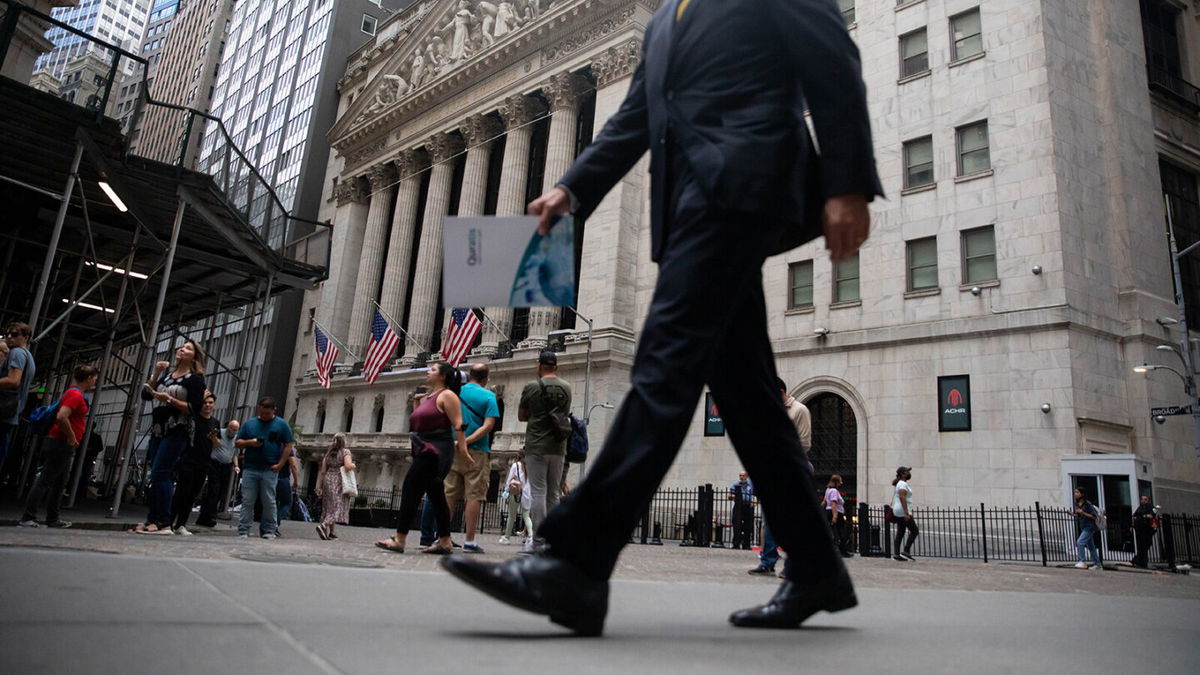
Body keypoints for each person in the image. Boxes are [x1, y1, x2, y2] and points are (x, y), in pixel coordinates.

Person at [442, 0, 879, 635]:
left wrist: (847, 183)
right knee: (751, 401)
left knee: (664, 365)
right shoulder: (670, 16)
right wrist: (572, 188)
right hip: (690, 206)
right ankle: (816, 565)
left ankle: (574, 562)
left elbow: (834, 57)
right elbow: (636, 117)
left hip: (742, 187)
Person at [375, 363, 473, 554]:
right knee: (436, 496)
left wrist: (463, 449)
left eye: (433, 370)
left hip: (435, 451)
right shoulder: (429, 396)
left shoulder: (448, 395)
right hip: (423, 448)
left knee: (411, 488)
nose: (428, 371)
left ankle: (400, 539)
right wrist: (415, 404)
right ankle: (445, 541)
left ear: (443, 376)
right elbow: (418, 421)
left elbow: (459, 424)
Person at [134, 340, 207, 534]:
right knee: (156, 474)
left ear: (195, 356)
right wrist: (156, 373)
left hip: (178, 429)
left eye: (188, 348)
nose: (182, 349)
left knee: (161, 472)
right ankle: (152, 519)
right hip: (159, 428)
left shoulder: (195, 379)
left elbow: (195, 408)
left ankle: (163, 522)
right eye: (182, 347)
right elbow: (146, 395)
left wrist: (171, 400)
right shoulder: (167, 376)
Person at [19, 365, 98, 528]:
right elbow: (62, 417)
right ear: (89, 378)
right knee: (46, 479)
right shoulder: (75, 395)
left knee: (60, 481)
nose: (95, 382)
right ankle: (28, 517)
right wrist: (71, 436)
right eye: (95, 379)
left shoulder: (73, 393)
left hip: (61, 443)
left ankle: (53, 518)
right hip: (60, 442)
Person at [750, 379, 814, 575]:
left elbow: (804, 443)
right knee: (769, 518)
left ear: (779, 391)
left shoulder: (799, 410)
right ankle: (767, 561)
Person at [442, 363, 500, 553]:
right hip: (477, 451)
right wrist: (467, 441)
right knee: (474, 495)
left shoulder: (455, 393)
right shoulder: (489, 396)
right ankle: (470, 540)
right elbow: (488, 425)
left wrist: (457, 441)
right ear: (485, 379)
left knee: (449, 493)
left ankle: (442, 537)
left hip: (453, 448)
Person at [517, 350, 571, 553]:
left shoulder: (531, 386)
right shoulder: (567, 387)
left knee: (538, 491)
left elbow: (522, 416)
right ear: (556, 366)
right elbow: (563, 414)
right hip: (558, 447)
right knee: (553, 493)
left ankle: (539, 539)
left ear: (539, 366)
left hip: (536, 445)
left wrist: (536, 414)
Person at [234, 396, 294, 540]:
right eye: (262, 413)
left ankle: (269, 529)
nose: (264, 416)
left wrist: (280, 464)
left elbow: (288, 444)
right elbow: (238, 443)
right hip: (250, 467)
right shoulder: (250, 424)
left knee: (269, 500)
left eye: (267, 413)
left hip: (270, 468)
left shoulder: (281, 425)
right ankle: (244, 529)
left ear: (274, 410)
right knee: (248, 500)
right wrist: (250, 442)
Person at [167, 393, 220, 536]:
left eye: (210, 403)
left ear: (214, 405)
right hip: (188, 459)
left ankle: (181, 524)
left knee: (192, 495)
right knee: (181, 492)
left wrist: (213, 438)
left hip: (204, 462)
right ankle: (169, 522)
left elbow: (217, 445)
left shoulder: (215, 423)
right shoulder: (193, 417)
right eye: (205, 402)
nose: (207, 405)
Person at [0, 322, 35, 464]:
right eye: (7, 334)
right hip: (10, 413)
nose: (9, 337)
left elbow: (14, 380)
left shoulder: (17, 353)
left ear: (26, 337)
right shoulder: (27, 355)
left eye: (14, 334)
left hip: (3, 410)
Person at [195, 419, 239, 528]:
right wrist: (214, 437)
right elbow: (216, 445)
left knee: (221, 491)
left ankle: (206, 515)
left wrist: (236, 465)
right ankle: (210, 516)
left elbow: (235, 453)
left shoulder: (236, 438)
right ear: (227, 427)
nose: (232, 432)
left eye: (235, 430)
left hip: (227, 465)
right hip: (215, 463)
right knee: (213, 489)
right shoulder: (220, 433)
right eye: (231, 429)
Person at [316, 433, 354, 540]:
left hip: (328, 479)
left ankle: (330, 532)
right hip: (338, 480)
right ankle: (324, 524)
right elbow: (347, 466)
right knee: (337, 506)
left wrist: (320, 487)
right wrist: (353, 465)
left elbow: (323, 471)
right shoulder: (345, 452)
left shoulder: (328, 454)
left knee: (328, 506)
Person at [498, 451, 533, 545]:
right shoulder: (531, 466)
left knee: (511, 516)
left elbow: (509, 480)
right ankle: (531, 536)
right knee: (526, 515)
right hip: (527, 493)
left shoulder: (515, 465)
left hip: (516, 492)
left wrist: (506, 494)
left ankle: (507, 537)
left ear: (519, 456)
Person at [890, 467, 917, 561]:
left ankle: (897, 554)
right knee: (914, 530)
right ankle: (906, 551)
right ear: (902, 474)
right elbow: (902, 497)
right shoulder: (902, 484)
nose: (908, 474)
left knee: (900, 532)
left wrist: (907, 469)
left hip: (898, 510)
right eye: (906, 472)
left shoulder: (900, 483)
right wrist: (906, 513)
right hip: (902, 511)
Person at [273, 445, 300, 535]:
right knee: (287, 503)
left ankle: (269, 525)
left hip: (270, 478)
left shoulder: (272, 446)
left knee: (273, 503)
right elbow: (293, 465)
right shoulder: (286, 448)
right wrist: (296, 480)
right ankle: (275, 524)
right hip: (282, 478)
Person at [1073, 487, 1102, 569]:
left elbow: (1094, 516)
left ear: (1082, 494)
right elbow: (1079, 515)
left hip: (1089, 527)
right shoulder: (1077, 504)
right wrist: (1074, 514)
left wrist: (1083, 512)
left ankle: (1082, 561)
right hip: (1083, 526)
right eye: (1075, 492)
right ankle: (1097, 564)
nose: (1075, 494)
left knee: (1080, 542)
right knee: (1091, 546)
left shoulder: (1087, 504)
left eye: (1077, 492)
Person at [824, 475, 851, 557]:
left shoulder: (828, 490)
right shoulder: (834, 491)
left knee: (833, 531)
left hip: (829, 512)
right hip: (836, 513)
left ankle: (838, 550)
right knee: (840, 532)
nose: (840, 484)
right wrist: (835, 515)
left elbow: (824, 501)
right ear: (836, 482)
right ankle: (843, 551)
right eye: (839, 482)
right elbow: (833, 503)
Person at [728, 471, 755, 550]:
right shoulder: (736, 485)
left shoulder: (751, 485)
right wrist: (735, 496)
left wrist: (755, 503)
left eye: (743, 475)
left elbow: (756, 495)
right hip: (738, 506)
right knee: (736, 525)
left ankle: (746, 544)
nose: (741, 477)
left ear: (746, 476)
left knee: (748, 525)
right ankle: (736, 543)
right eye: (740, 475)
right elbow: (729, 495)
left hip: (748, 506)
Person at [1130, 495, 1158, 569]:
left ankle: (1140, 561)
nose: (1143, 501)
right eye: (1142, 499)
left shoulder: (1152, 508)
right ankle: (1139, 561)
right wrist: (1133, 525)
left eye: (1145, 499)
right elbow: (1134, 516)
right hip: (1139, 529)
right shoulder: (1140, 507)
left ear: (1148, 500)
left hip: (1147, 530)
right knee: (1140, 546)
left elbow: (1151, 516)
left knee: (1146, 546)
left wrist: (1143, 516)